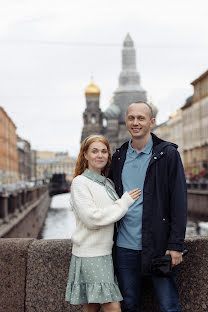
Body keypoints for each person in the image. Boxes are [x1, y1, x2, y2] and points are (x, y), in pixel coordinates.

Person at [108, 102, 187, 312]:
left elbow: (179, 201)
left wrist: (176, 244)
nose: (135, 122)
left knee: (169, 305)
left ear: (151, 122)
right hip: (125, 247)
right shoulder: (118, 157)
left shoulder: (167, 154)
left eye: (141, 118)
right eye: (131, 118)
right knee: (130, 305)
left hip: (159, 246)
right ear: (126, 121)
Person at [65, 134, 141, 312]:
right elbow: (93, 219)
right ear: (85, 155)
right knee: (112, 306)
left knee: (91, 305)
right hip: (91, 254)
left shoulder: (107, 183)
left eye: (104, 151)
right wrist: (125, 202)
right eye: (94, 151)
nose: (100, 155)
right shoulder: (80, 183)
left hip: (105, 253)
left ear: (108, 155)